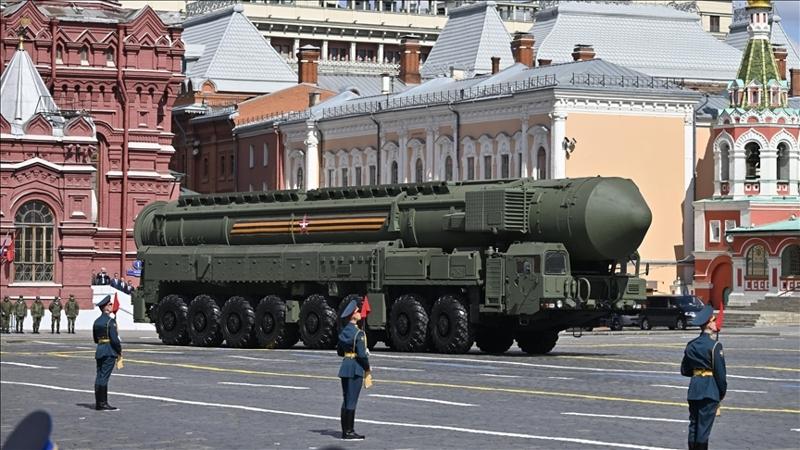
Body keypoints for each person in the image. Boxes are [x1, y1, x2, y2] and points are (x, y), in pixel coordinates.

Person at [681, 304, 727, 450]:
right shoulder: (715, 346)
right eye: (714, 320)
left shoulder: (691, 345)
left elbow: (684, 370)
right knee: (703, 430)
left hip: (694, 390)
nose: (716, 323)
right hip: (709, 391)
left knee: (693, 426)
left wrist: (698, 373)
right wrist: (721, 393)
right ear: (708, 324)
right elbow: (720, 375)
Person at [336, 299, 371, 440]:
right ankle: (349, 431)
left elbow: (340, 352)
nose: (359, 313)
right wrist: (367, 367)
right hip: (355, 367)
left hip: (345, 366)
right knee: (352, 400)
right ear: (353, 316)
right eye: (357, 311)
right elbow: (361, 355)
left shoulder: (344, 332)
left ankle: (345, 430)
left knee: (346, 399)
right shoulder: (358, 334)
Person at [93, 295, 122, 411]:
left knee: (99, 376)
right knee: (104, 377)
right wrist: (119, 350)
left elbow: (95, 339)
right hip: (109, 351)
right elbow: (114, 340)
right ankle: (103, 403)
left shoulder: (96, 322)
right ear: (105, 307)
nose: (111, 306)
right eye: (109, 304)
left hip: (100, 350)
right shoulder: (110, 321)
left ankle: (98, 402)